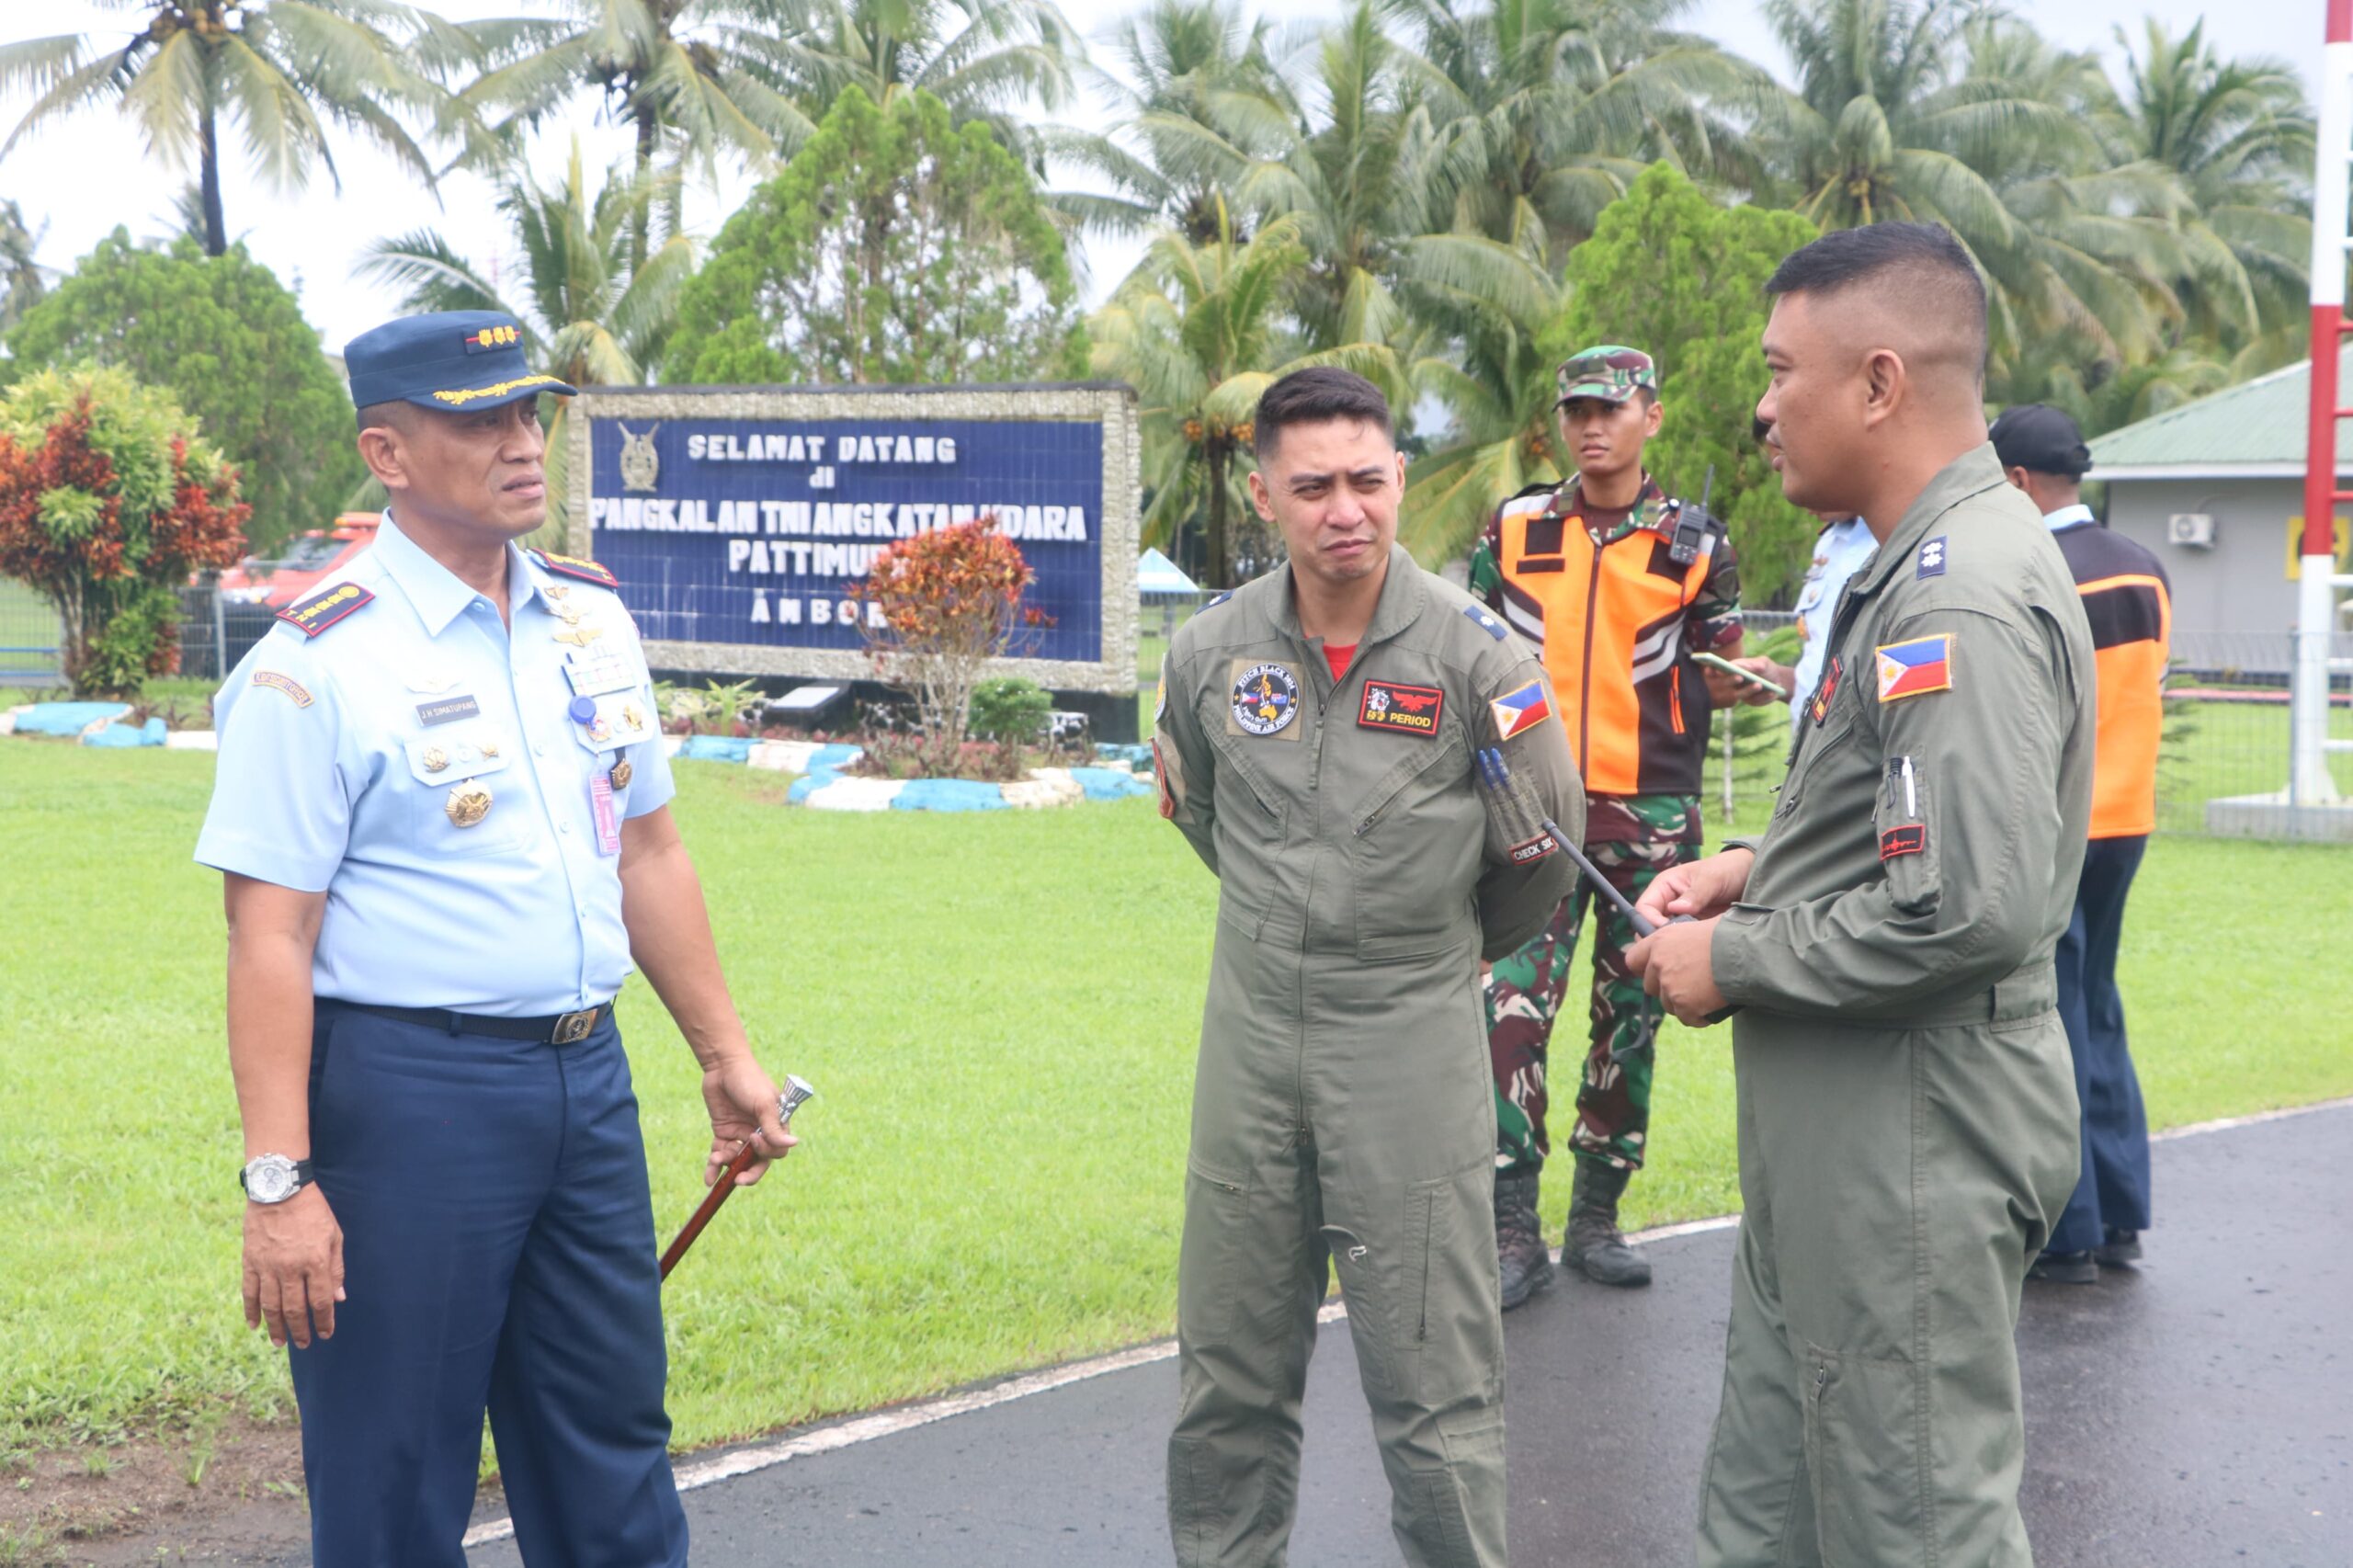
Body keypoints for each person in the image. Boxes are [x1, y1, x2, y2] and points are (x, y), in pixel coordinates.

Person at [196, 311, 797, 1567]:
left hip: (586, 1082)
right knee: (394, 1472)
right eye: (481, 422)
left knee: (611, 1450)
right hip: (408, 1101)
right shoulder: (319, 662)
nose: (523, 443)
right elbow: (271, 936)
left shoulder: (590, 618)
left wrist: (724, 1053)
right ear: (387, 453)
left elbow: (648, 850)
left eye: (531, 413)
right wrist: (279, 1182)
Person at [1624, 222, 2092, 1567]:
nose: (1763, 408)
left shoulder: (1960, 598)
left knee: (1911, 1522)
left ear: (1880, 382)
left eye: (1783, 372)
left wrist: (1734, 958)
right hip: (1848, 1135)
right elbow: (1907, 825)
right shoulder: (1902, 569)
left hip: (1910, 1138)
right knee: (1775, 1512)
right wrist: (1750, 871)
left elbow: (1967, 907)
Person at [1154, 368, 1584, 1568]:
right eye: (1312, 487)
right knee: (1225, 1382)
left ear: (1398, 478)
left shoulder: (1479, 661)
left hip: (1408, 1048)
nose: (1344, 510)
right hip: (1249, 1049)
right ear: (1264, 496)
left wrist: (1418, 947)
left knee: (1435, 1391)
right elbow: (1206, 817)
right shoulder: (1207, 651)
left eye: (1365, 480)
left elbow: (1542, 854)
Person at [1464, 345, 1746, 1301]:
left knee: (1630, 1015)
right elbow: (1466, 645)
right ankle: (1511, 1230)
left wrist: (1748, 680)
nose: (1591, 427)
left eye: (1610, 409)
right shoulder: (1514, 529)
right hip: (1528, 807)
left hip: (1651, 813)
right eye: (1576, 411)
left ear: (1649, 418)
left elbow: (1721, 667)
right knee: (1506, 1008)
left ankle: (1596, 1217)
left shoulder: (1693, 544)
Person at [1990, 401, 2170, 1284]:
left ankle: (2066, 1232)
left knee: (2048, 1020)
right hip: (2127, 818)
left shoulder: (2030, 569)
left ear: (2018, 481)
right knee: (2096, 1004)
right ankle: (2122, 1214)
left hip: (2059, 823)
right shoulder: (2143, 565)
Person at [1732, 495, 1875, 729]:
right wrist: (1780, 679)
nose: (1797, 499)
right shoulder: (1830, 540)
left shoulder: (1897, 538)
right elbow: (1825, 674)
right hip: (1810, 744)